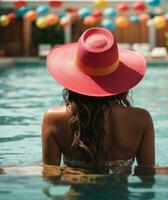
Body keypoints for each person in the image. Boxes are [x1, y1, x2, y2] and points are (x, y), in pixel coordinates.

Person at [42, 27, 155, 168]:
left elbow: (50, 177)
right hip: (120, 190)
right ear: (119, 77)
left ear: (73, 75)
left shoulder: (53, 118)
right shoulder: (141, 119)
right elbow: (147, 177)